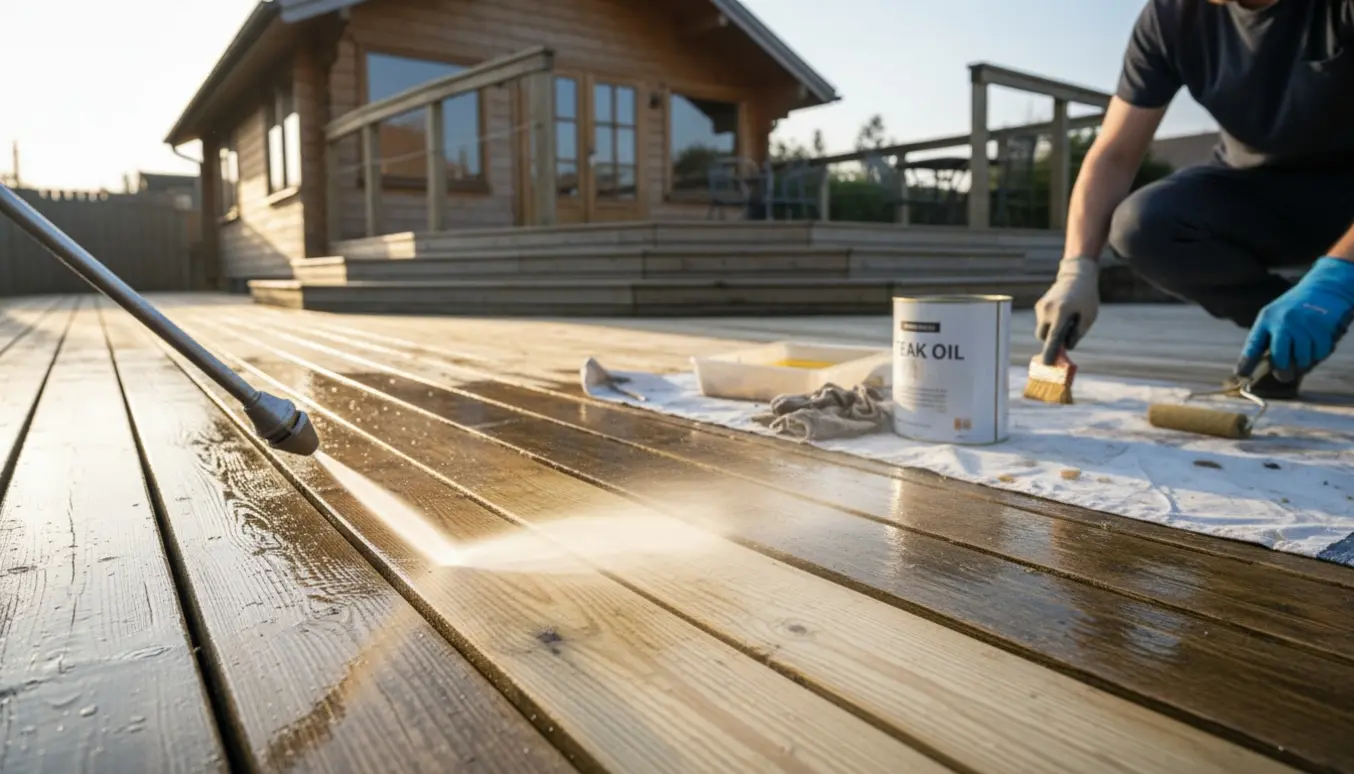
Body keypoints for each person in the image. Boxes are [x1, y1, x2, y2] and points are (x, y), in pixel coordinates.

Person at [1033, 0, 1354, 398]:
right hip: (1253, 199)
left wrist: (1338, 276)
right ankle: (1280, 344)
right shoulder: (1172, 17)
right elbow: (1114, 156)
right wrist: (1076, 268)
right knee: (1144, 224)